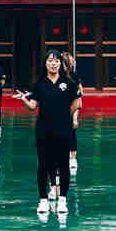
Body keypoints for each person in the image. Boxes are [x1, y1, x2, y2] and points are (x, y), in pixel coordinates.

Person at [22, 49, 80, 218]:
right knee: (43, 165)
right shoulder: (40, 83)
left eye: (56, 61)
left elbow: (77, 102)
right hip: (44, 130)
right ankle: (43, 200)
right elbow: (33, 106)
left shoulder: (68, 83)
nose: (53, 64)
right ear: (45, 64)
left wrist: (65, 116)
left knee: (63, 165)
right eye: (50, 61)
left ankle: (62, 200)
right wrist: (25, 100)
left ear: (60, 64)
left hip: (63, 130)